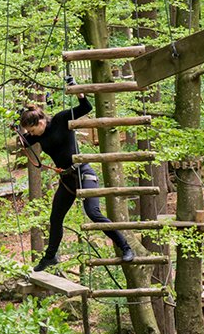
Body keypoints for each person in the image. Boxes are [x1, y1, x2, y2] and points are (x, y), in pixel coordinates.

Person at [20, 76, 134, 272]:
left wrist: (79, 92)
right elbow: (23, 142)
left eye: (32, 129)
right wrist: (17, 128)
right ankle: (49, 258)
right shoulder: (38, 135)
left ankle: (126, 247)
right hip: (66, 180)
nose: (32, 134)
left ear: (40, 121)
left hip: (83, 173)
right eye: (29, 131)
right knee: (55, 218)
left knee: (93, 213)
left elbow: (86, 108)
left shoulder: (61, 119)